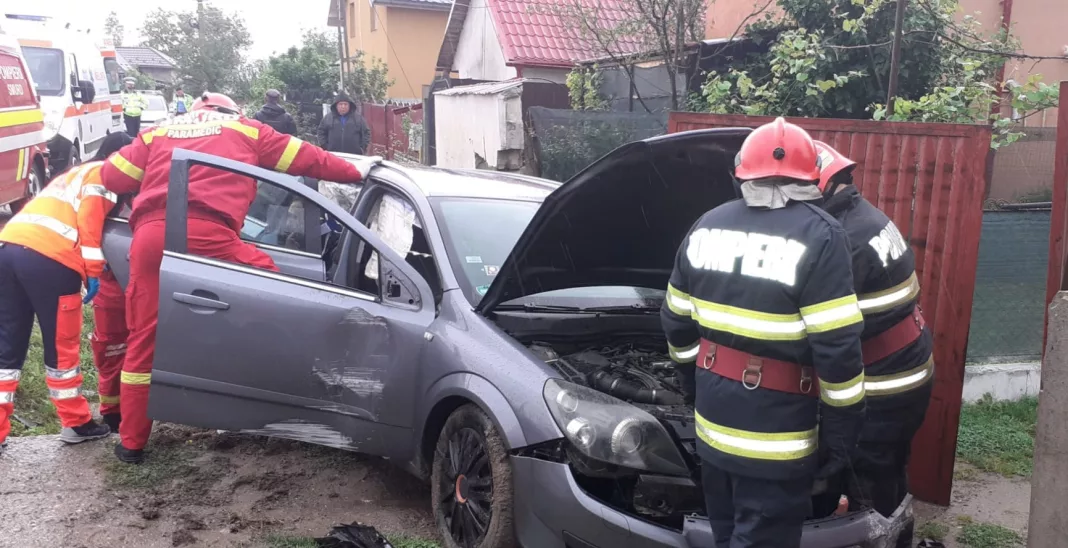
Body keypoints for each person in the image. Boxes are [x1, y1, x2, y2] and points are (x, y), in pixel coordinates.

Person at [101, 92, 381, 464]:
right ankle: (297, 384)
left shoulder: (159, 131)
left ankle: (130, 445)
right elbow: (309, 159)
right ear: (233, 110)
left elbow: (112, 174)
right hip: (209, 231)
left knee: (143, 342)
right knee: (285, 295)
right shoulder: (245, 129)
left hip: (151, 237)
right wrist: (359, 170)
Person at [661, 117, 866, 548]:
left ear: (742, 171)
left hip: (713, 426)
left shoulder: (706, 225)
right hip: (778, 439)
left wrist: (692, 385)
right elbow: (838, 349)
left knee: (726, 534)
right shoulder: (823, 235)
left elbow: (676, 321)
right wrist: (840, 434)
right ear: (812, 174)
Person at [813, 141, 934, 526]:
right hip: (905, 366)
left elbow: (819, 329)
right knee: (888, 464)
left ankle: (876, 531)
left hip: (884, 382)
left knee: (865, 475)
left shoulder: (843, 240)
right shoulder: (866, 217)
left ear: (821, 186)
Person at [0, 132, 135, 454]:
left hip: (9, 247)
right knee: (62, 349)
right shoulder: (106, 175)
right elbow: (89, 222)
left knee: (8, 345)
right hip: (50, 261)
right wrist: (94, 272)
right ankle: (76, 423)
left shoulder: (74, 172)